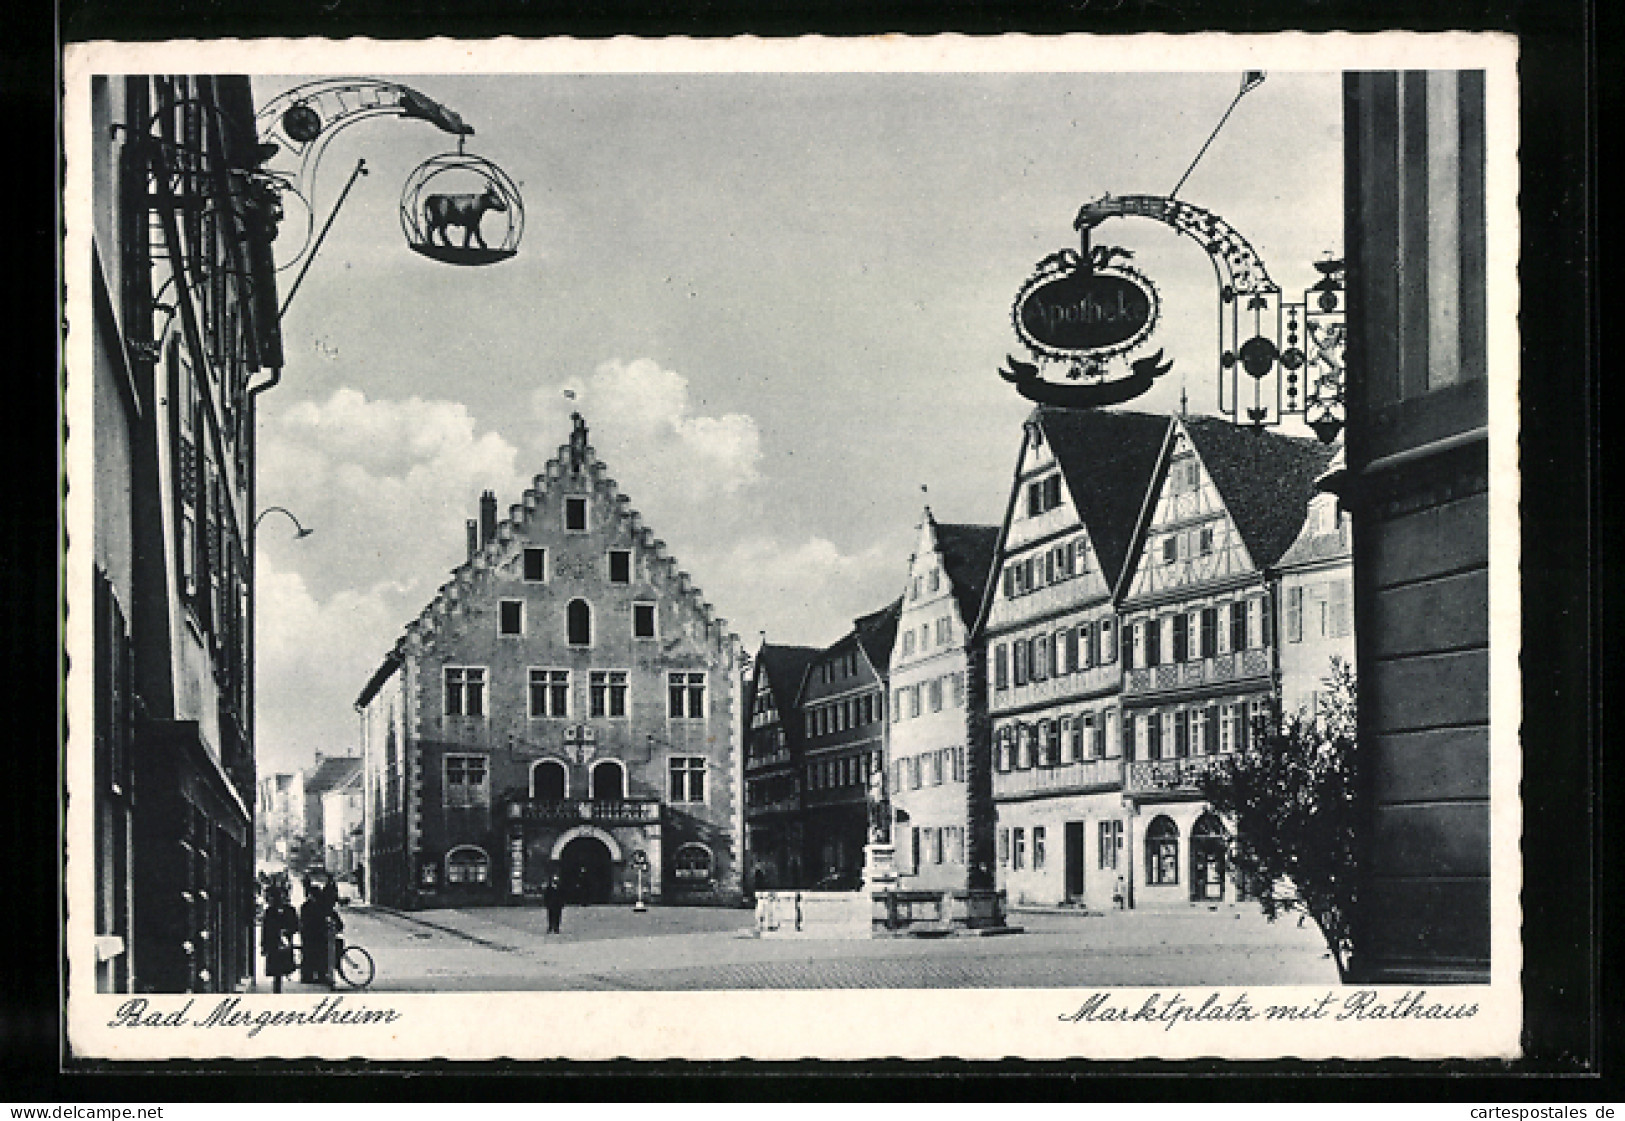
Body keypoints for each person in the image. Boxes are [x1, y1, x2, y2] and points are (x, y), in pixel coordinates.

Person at [261, 879, 299, 994]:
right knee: (276, 970)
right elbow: (265, 930)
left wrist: (287, 931)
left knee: (282, 967)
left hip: (285, 943)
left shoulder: (289, 911)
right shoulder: (270, 912)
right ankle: (277, 988)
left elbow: (296, 925)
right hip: (274, 943)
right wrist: (264, 945)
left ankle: (278, 985)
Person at [299, 875, 329, 984]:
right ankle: (320, 975)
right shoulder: (321, 906)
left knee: (309, 955)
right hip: (318, 935)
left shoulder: (305, 906)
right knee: (320, 955)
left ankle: (307, 975)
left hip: (309, 935)